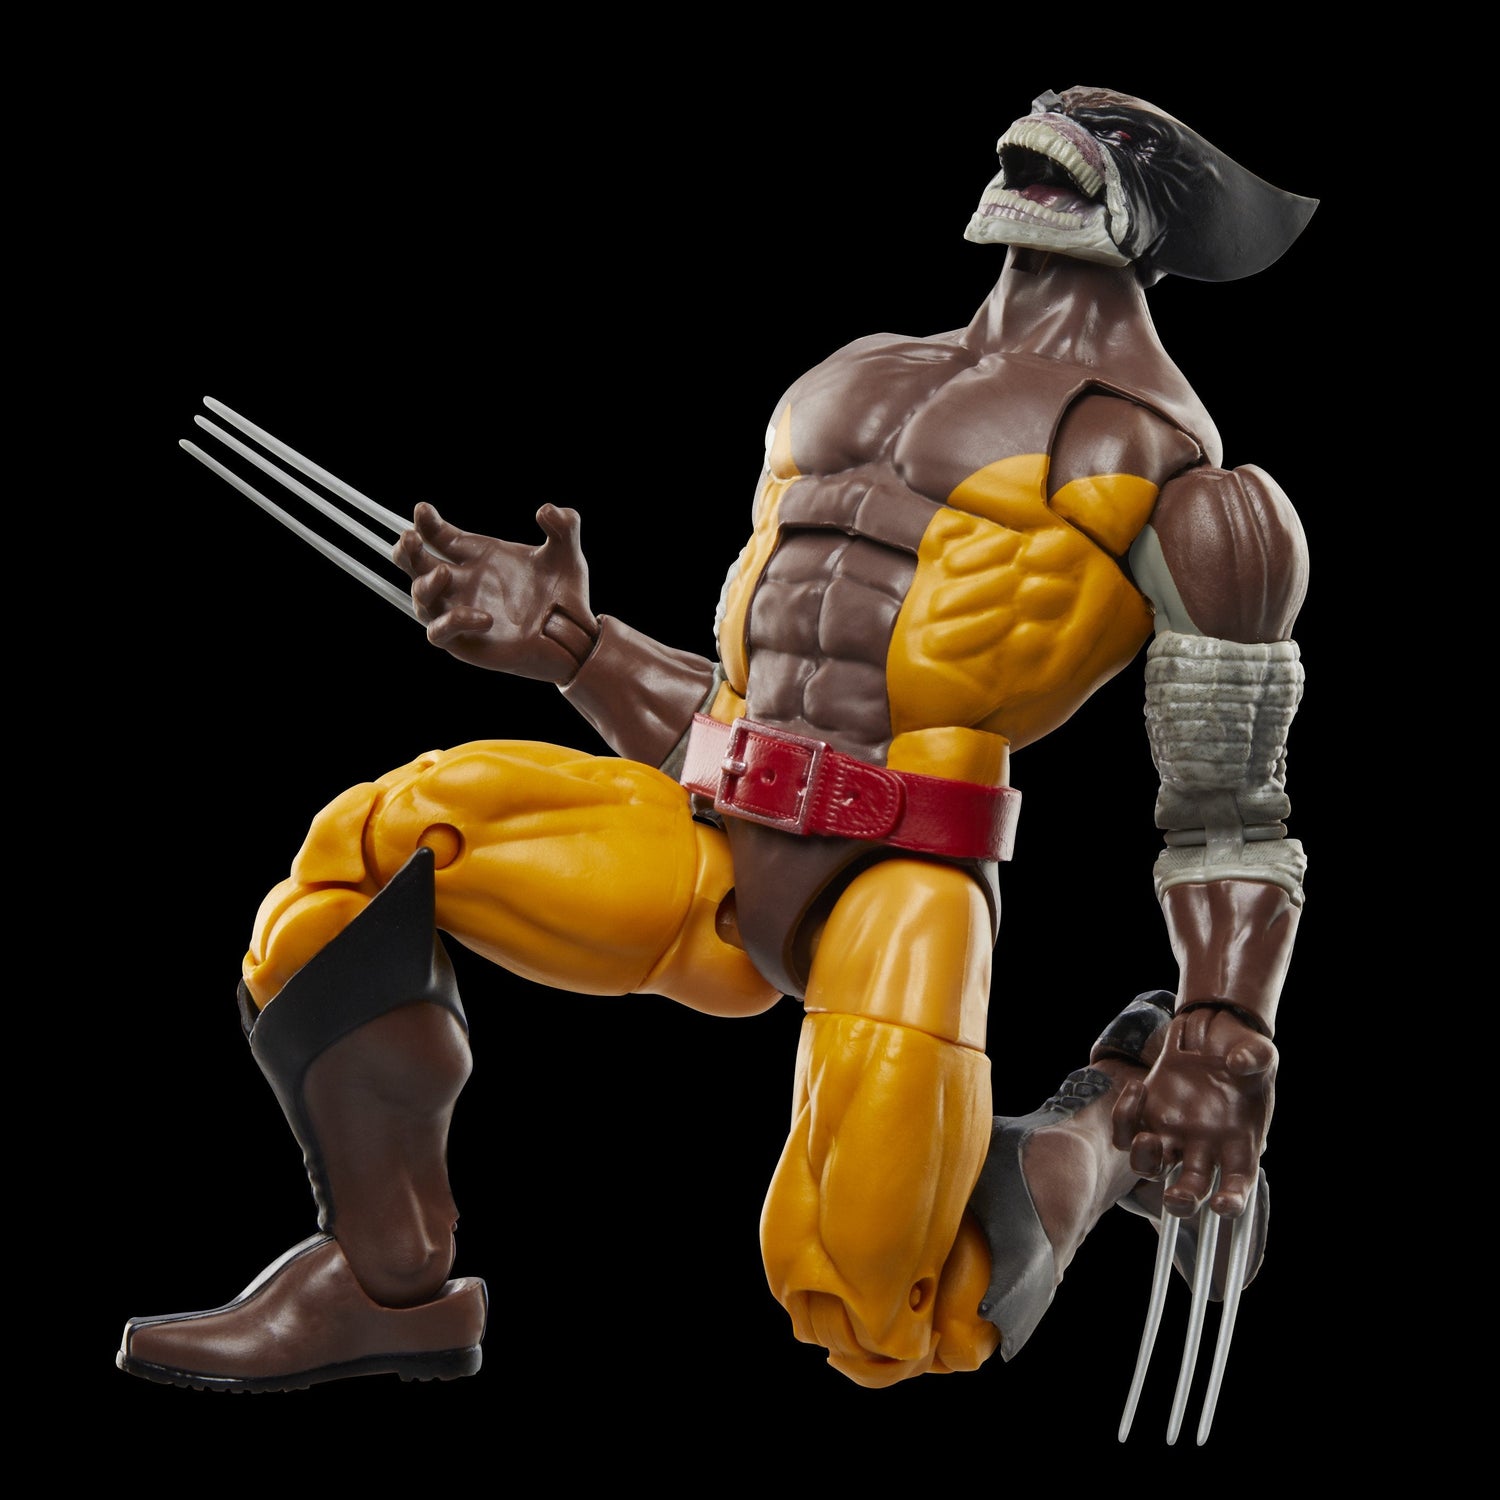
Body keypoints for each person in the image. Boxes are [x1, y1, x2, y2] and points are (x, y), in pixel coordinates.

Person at [119, 85, 1314, 1403]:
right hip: (715, 840)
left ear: (1170, 214)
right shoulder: (848, 384)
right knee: (373, 853)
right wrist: (576, 645)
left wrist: (1220, 1038)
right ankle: (385, 1284)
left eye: (1103, 137)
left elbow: (1231, 813)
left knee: (874, 1312)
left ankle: (1109, 1129)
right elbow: (763, 704)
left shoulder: (1190, 490)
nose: (1046, 135)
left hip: (899, 883)